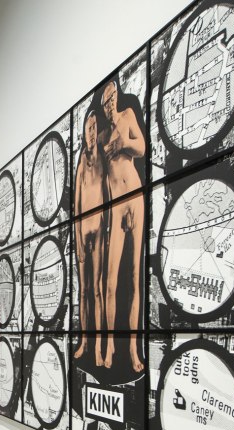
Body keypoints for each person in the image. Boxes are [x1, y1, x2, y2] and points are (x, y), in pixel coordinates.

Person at [99, 79, 146, 372]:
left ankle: (132, 349)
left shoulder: (128, 116)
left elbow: (140, 147)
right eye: (106, 101)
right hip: (116, 205)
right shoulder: (103, 135)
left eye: (113, 97)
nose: (111, 103)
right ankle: (109, 345)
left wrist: (123, 144)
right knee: (111, 282)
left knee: (135, 276)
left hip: (135, 197)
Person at [72, 108, 108, 365]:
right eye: (89, 128)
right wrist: (77, 238)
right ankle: (85, 342)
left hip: (99, 228)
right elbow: (76, 205)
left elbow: (107, 192)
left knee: (97, 290)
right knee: (84, 292)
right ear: (84, 132)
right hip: (83, 231)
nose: (92, 132)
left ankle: (98, 347)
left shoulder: (102, 157)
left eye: (95, 127)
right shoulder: (81, 164)